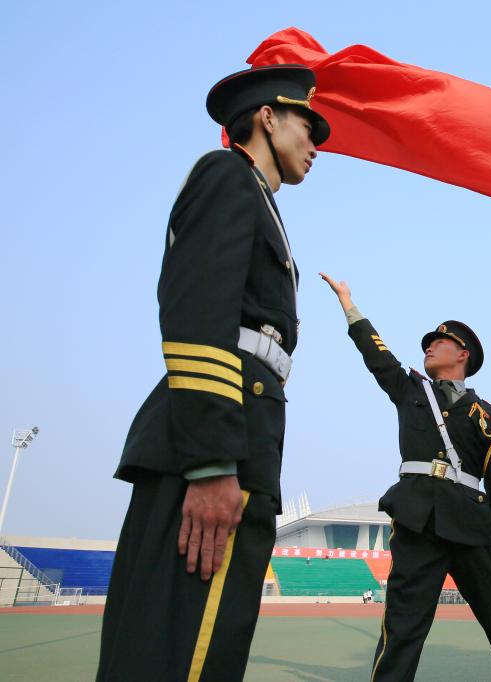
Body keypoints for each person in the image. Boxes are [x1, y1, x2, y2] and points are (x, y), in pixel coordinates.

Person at [97, 64, 329, 682]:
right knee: (179, 653)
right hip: (215, 442)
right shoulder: (227, 176)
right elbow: (199, 312)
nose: (316, 144)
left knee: (208, 649)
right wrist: (212, 464)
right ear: (267, 117)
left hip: (245, 433)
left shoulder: (259, 200)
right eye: (308, 126)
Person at [320, 275, 491, 682]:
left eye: (439, 342)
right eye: (428, 343)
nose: (429, 347)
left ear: (462, 353)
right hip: (417, 523)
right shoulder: (411, 391)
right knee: (402, 627)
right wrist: (349, 305)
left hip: (472, 530)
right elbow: (377, 354)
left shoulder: (489, 418)